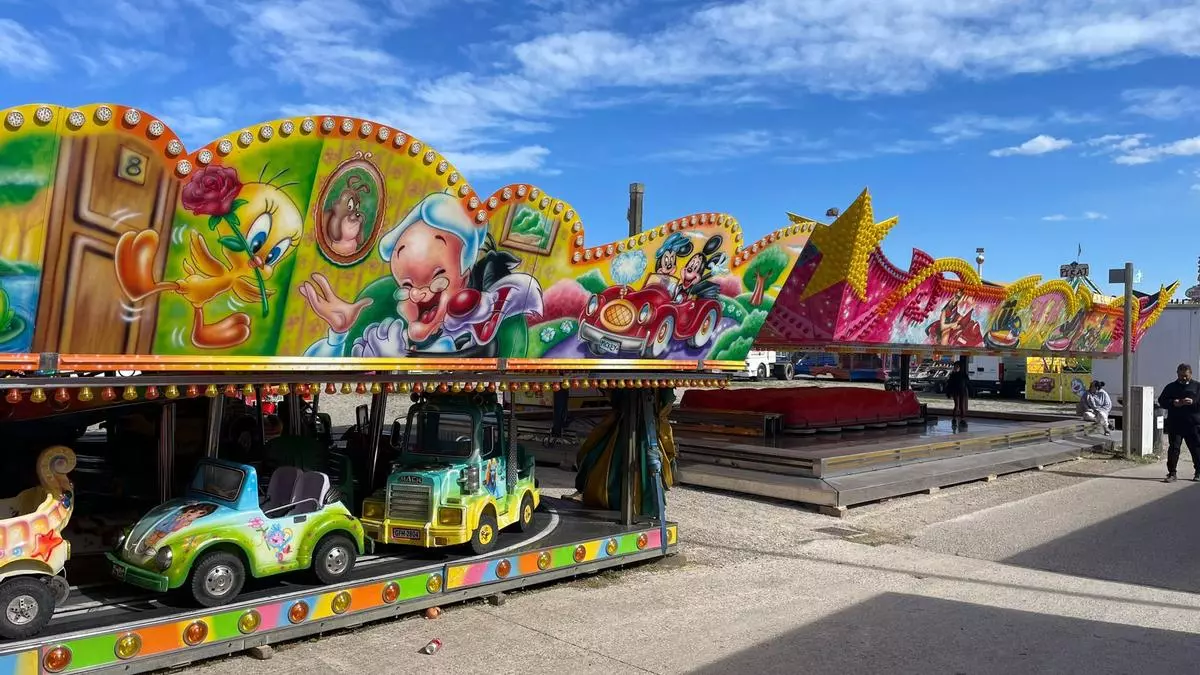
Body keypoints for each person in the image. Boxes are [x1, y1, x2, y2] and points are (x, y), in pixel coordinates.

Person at [1158, 363, 1200, 482]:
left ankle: (1198, 472)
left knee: (1196, 448)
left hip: (1193, 424)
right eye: (1181, 375)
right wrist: (1173, 403)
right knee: (1174, 449)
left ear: (1191, 374)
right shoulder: (1171, 387)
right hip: (1175, 423)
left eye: (1186, 375)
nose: (1184, 378)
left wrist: (1193, 402)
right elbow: (1162, 401)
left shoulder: (1197, 386)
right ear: (1177, 374)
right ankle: (1172, 473)